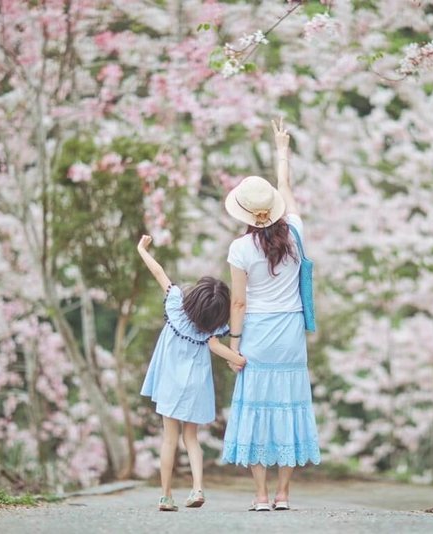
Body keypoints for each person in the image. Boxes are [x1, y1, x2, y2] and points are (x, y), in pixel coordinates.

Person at [221, 118, 321, 512]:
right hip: (291, 331)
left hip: (259, 332)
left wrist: (233, 343)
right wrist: (282, 151)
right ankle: (283, 495)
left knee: (257, 406)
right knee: (290, 403)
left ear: (244, 213)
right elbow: (287, 191)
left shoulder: (240, 249)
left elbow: (239, 303)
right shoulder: (295, 233)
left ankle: (260, 496)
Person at [137, 234, 247, 512]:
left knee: (169, 439)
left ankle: (165, 496)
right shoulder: (213, 330)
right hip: (196, 386)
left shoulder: (175, 305)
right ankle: (197, 488)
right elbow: (225, 340)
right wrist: (238, 358)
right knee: (191, 439)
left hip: (170, 384)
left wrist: (142, 249)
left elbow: (158, 271)